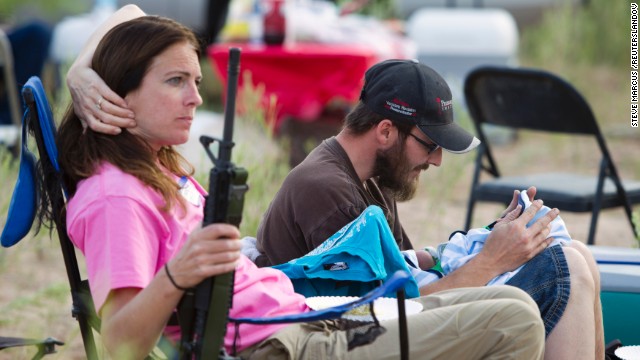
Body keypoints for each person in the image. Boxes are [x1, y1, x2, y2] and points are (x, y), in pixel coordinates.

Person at [58, 5, 547, 359]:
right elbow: (118, 344)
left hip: (303, 315)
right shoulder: (116, 195)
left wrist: (80, 72)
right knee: (516, 319)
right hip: (287, 344)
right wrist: (177, 275)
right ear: (121, 91)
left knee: (510, 300)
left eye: (196, 82)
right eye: (174, 81)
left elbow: (131, 12)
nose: (193, 98)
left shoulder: (154, 168)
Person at [249, 60, 603, 359]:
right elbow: (387, 315)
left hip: (382, 325)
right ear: (386, 131)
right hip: (355, 338)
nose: (437, 160)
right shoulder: (328, 191)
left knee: (577, 254)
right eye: (430, 144)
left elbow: (407, 273)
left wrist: (486, 242)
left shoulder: (369, 177)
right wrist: (493, 260)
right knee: (564, 267)